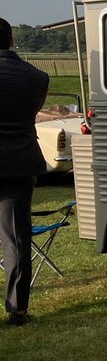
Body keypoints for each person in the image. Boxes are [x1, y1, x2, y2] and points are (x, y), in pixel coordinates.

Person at [0, 17, 50, 325]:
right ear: (12, 40)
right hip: (19, 163)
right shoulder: (37, 77)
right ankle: (17, 309)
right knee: (15, 238)